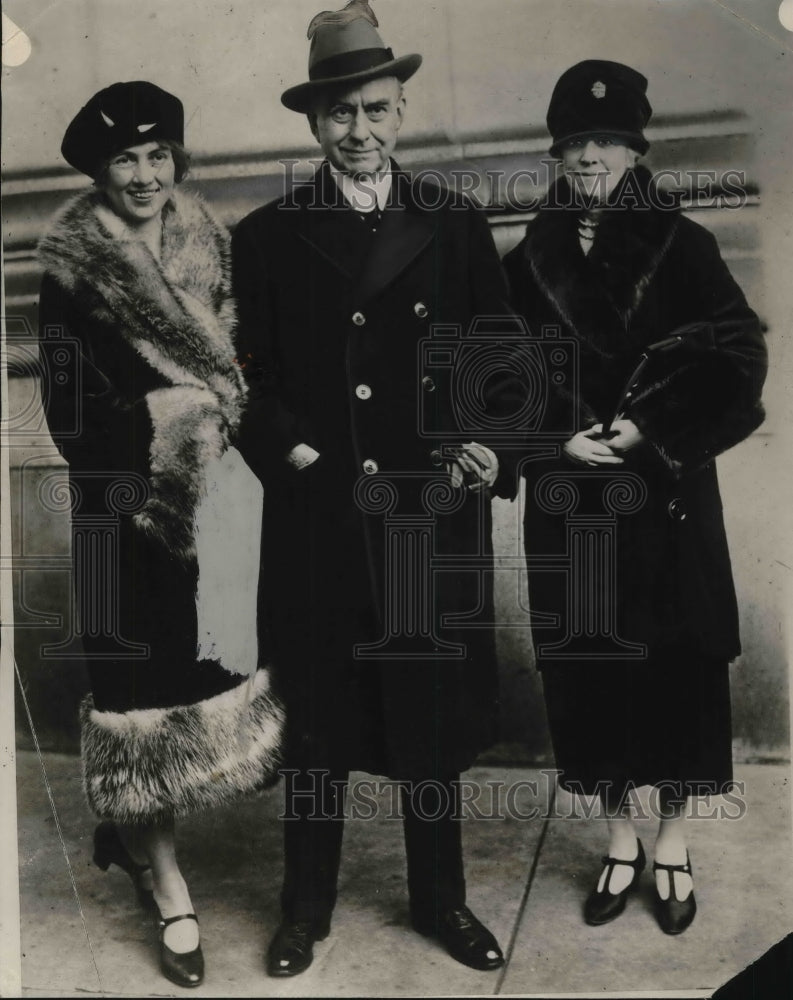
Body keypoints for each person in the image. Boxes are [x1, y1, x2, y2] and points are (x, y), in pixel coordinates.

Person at [232, 5, 527, 977]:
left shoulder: (454, 224)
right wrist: (302, 459)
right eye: (340, 114)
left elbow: (501, 355)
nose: (360, 132)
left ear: (401, 113)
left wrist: (487, 441)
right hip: (319, 519)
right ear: (313, 123)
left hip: (428, 513)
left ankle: (441, 899)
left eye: (377, 111)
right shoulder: (269, 236)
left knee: (427, 718)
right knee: (314, 720)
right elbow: (243, 378)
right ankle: (303, 908)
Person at [503, 60, 767, 934]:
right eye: (573, 143)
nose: (589, 158)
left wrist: (650, 435)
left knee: (680, 669)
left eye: (607, 142)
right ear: (555, 154)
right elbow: (490, 377)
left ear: (634, 152)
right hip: (573, 499)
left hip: (665, 495)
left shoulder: (682, 245)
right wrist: (554, 441)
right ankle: (618, 838)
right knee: (591, 672)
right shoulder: (525, 260)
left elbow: (739, 360)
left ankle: (672, 843)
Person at [37, 81, 284, 988]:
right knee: (135, 705)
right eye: (123, 161)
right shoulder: (68, 270)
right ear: (99, 173)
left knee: (209, 683)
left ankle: (138, 839)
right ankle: (167, 885)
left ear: (177, 161)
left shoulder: (212, 246)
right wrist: (173, 427)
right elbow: (68, 412)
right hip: (124, 512)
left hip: (217, 506)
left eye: (156, 156)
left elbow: (254, 367)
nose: (143, 175)